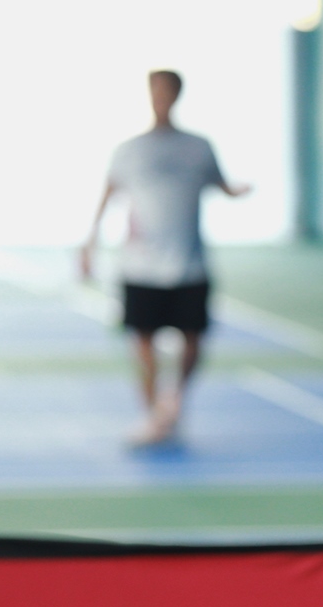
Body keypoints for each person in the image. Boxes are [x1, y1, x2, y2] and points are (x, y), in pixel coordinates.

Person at [80, 70, 249, 446]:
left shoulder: (199, 147)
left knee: (193, 339)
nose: (161, 97)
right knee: (142, 340)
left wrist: (239, 191)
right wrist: (89, 244)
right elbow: (108, 194)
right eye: (155, 90)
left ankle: (174, 398)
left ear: (177, 95)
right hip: (141, 265)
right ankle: (153, 413)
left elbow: (222, 185)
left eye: (167, 91)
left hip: (189, 263)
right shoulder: (129, 150)